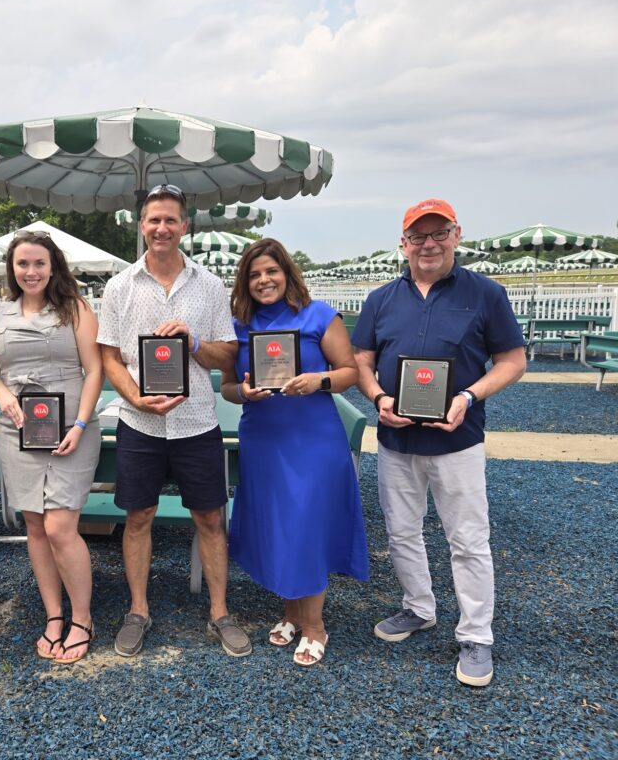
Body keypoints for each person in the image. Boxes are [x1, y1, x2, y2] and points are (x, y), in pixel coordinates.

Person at [352, 198, 526, 687]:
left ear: (456, 235)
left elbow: (513, 361)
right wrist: (378, 396)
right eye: (418, 235)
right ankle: (418, 607)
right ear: (403, 243)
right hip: (396, 439)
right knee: (401, 532)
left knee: (468, 540)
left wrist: (469, 396)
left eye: (439, 233)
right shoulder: (381, 299)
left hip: (458, 440)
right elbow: (362, 359)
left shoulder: (486, 293)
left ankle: (476, 635)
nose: (428, 244)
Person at [97, 184, 251, 658]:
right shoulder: (119, 286)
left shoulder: (210, 285)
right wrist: (136, 398)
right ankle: (138, 610)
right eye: (153, 219)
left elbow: (228, 355)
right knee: (138, 516)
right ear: (141, 225)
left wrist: (194, 343)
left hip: (196, 421)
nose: (161, 228)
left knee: (210, 517)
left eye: (170, 220)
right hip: (139, 423)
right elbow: (109, 357)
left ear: (185, 226)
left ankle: (220, 612)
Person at [219, 238, 369, 666]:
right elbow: (228, 386)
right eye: (254, 274)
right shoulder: (238, 325)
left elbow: (350, 372)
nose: (263, 280)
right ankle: (291, 612)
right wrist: (244, 393)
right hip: (264, 439)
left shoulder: (319, 315)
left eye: (271, 271)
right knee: (279, 526)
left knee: (306, 525)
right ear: (244, 282)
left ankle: (315, 625)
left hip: (312, 440)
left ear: (287, 273)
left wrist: (318, 380)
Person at [0, 231, 103, 663]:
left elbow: (95, 370)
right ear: (12, 269)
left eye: (39, 264)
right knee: (34, 524)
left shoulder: (75, 308)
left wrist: (81, 424)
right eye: (23, 264)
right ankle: (53, 615)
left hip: (70, 428)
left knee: (59, 528)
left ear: (53, 268)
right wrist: (3, 396)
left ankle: (82, 618)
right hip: (19, 429)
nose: (31, 272)